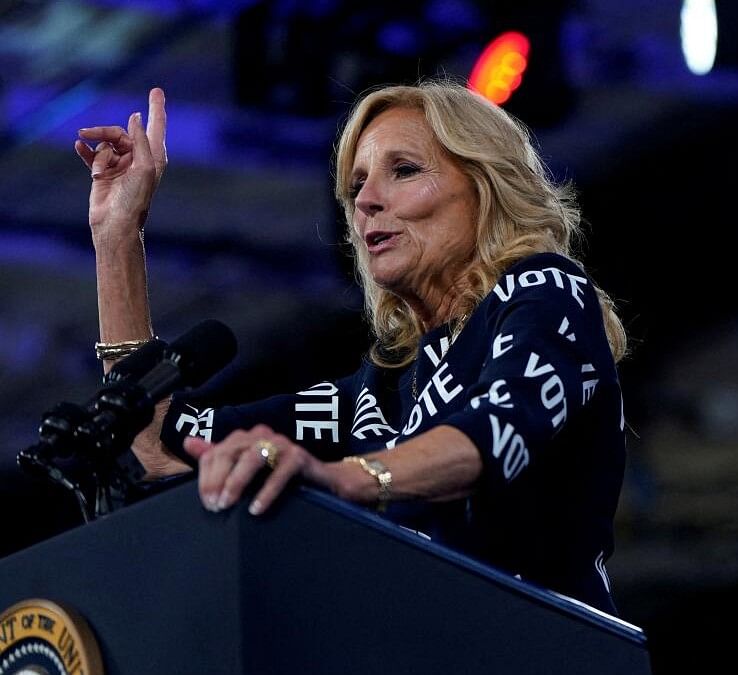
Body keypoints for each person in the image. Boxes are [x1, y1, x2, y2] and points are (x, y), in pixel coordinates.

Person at [73, 81, 629, 615]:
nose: (365, 201)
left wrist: (346, 479)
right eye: (356, 185)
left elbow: (497, 428)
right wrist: (117, 237)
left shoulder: (546, 291)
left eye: (404, 171)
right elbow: (157, 446)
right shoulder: (379, 391)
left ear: (487, 188)